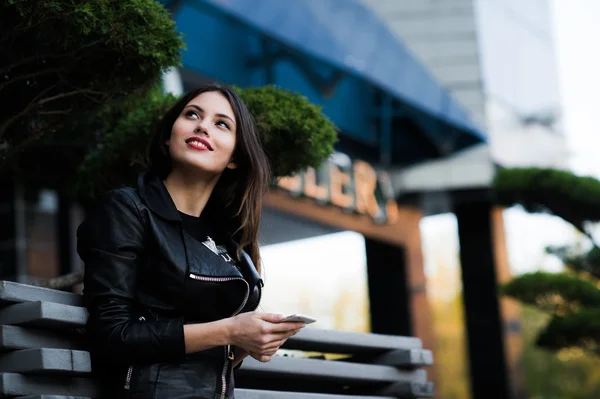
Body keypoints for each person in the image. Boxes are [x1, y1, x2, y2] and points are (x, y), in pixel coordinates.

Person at [77, 84, 306, 399]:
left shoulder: (229, 240)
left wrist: (245, 345)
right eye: (192, 115)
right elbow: (112, 335)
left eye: (221, 123)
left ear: (235, 158)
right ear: (168, 137)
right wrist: (230, 330)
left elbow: (209, 357)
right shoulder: (128, 209)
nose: (202, 125)